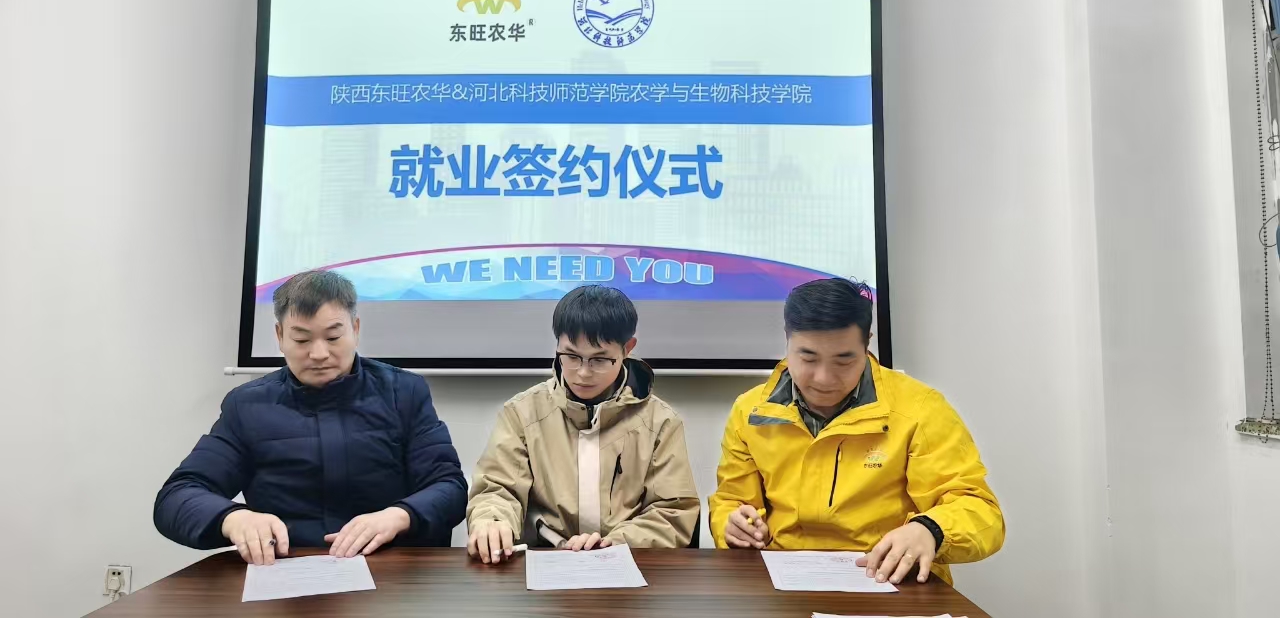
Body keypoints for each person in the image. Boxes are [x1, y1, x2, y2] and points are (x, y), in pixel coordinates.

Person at [154, 270, 466, 565]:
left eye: (333, 337)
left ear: (355, 330)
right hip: (289, 572)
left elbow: (449, 487)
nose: (318, 354)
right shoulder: (248, 406)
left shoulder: (403, 392)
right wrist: (234, 518)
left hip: (391, 571)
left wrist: (399, 516)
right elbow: (177, 496)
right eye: (302, 340)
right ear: (280, 336)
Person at [708, 278, 1004, 585]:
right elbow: (731, 500)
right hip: (782, 582)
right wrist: (731, 523)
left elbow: (981, 512)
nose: (823, 378)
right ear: (787, 340)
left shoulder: (920, 409)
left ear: (867, 344)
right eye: (807, 358)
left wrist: (931, 529)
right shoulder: (750, 411)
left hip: (888, 579)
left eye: (844, 360)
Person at [466, 285, 699, 563]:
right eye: (571, 356)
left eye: (600, 359)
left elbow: (672, 513)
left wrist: (615, 542)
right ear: (557, 346)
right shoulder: (522, 413)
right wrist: (492, 520)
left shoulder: (660, 422)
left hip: (626, 562)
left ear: (627, 349)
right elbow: (497, 490)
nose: (583, 372)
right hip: (544, 561)